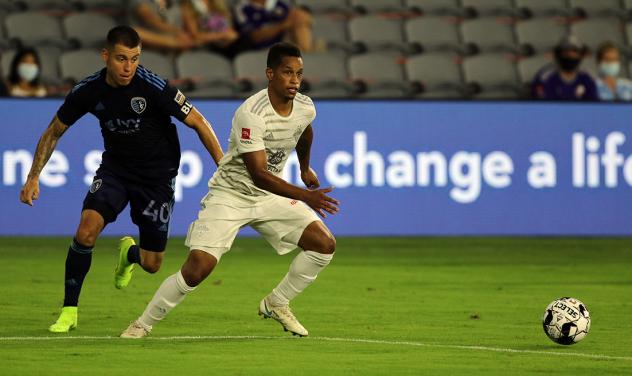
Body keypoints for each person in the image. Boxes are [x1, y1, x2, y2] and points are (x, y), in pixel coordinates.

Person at [120, 42, 338, 339]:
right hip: (231, 195)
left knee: (324, 244)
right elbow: (259, 175)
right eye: (288, 73)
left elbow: (304, 129)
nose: (295, 81)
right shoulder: (251, 113)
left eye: (299, 73)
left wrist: (304, 168)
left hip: (269, 197)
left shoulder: (304, 105)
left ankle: (277, 302)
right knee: (197, 269)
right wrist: (304, 194)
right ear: (270, 74)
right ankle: (142, 324)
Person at [19, 26, 224, 333]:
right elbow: (54, 130)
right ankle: (69, 311)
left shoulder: (152, 85)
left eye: (134, 59)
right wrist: (33, 177)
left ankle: (129, 254)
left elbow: (197, 121)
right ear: (106, 56)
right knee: (86, 231)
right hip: (116, 171)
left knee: (153, 264)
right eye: (121, 59)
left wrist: (224, 166)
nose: (128, 67)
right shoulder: (88, 90)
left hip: (157, 178)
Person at [531, 35, 598, 101]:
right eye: (565, 52)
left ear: (580, 55)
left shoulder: (588, 77)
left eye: (574, 52)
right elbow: (543, 105)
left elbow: (593, 105)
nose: (570, 55)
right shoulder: (544, 77)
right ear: (558, 54)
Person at [233, 0, 314, 52]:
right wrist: (283, 25)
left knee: (300, 16)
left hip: (287, 42)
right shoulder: (242, 8)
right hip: (261, 50)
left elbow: (300, 18)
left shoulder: (282, 3)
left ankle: (306, 54)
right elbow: (254, 37)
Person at [128, 0, 196, 51]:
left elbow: (192, 26)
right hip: (149, 51)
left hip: (175, 53)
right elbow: (154, 22)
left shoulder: (175, 3)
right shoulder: (139, 2)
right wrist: (177, 35)